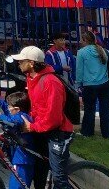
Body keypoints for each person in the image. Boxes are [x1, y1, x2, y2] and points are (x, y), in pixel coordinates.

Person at [9, 46, 74, 189]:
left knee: (59, 178)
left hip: (58, 132)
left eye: (22, 61)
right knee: (39, 171)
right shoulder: (32, 78)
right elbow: (36, 108)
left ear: (31, 63)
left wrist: (32, 127)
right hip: (41, 130)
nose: (19, 63)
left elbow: (54, 118)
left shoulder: (51, 82)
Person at [0, 91, 35, 189]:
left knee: (17, 185)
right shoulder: (19, 113)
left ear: (17, 109)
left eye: (10, 107)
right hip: (21, 158)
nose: (8, 109)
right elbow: (8, 109)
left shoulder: (21, 116)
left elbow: (11, 121)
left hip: (22, 159)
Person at [76, 30, 109, 139]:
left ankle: (87, 132)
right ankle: (107, 133)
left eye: (81, 39)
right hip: (104, 83)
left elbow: (79, 70)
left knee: (89, 109)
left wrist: (78, 84)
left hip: (89, 85)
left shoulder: (81, 52)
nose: (80, 41)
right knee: (105, 109)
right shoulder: (103, 50)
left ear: (85, 40)